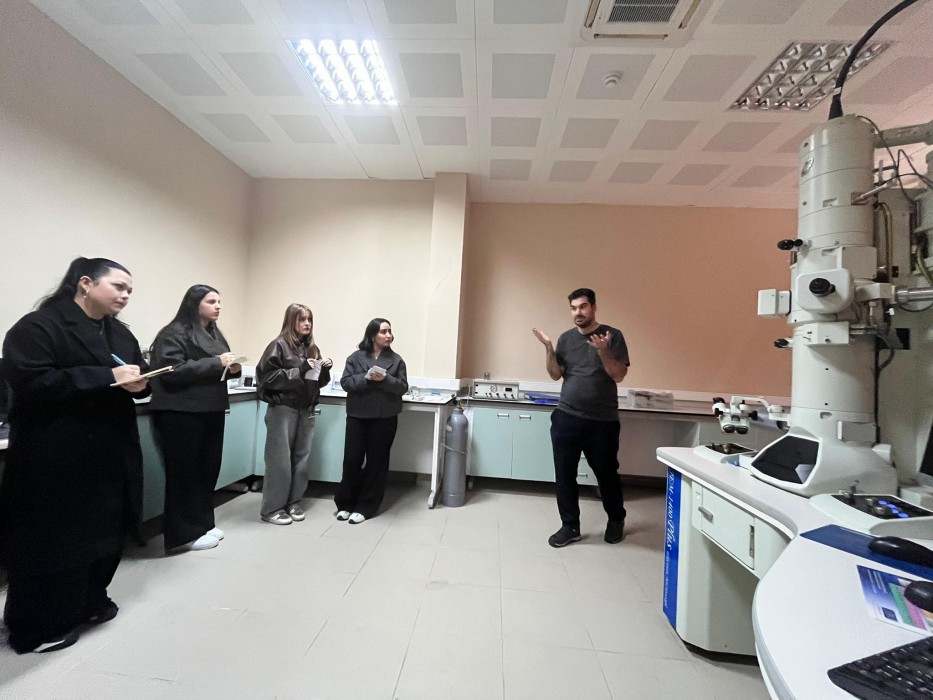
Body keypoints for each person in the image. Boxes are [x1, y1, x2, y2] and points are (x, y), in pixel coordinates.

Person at [0, 257, 149, 654]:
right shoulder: (38, 327)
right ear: (86, 283)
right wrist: (106, 377)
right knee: (52, 542)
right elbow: (32, 381)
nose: (126, 295)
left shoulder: (119, 333)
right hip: (56, 456)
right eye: (119, 286)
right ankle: (37, 627)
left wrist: (143, 384)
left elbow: (138, 371)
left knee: (104, 535)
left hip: (110, 453)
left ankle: (89, 602)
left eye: (130, 290)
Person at [532, 288, 630, 548]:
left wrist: (603, 351)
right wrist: (549, 348)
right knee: (565, 475)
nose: (578, 312)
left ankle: (616, 519)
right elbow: (556, 374)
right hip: (567, 418)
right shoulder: (566, 339)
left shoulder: (612, 335)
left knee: (606, 474)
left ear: (593, 307)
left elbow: (618, 374)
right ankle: (570, 526)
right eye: (574, 308)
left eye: (583, 307)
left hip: (602, 422)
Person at [149, 285, 241, 553]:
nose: (218, 306)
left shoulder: (213, 333)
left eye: (219, 301)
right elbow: (169, 371)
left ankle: (202, 524)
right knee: (184, 474)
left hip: (210, 410)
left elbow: (217, 367)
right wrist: (216, 363)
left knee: (207, 470)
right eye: (211, 301)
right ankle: (182, 535)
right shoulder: (173, 333)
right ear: (194, 304)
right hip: (181, 413)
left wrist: (232, 368)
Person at [256, 304, 332, 525]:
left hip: (306, 409)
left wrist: (324, 371)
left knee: (301, 459)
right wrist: (299, 370)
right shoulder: (278, 345)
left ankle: (293, 502)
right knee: (279, 460)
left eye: (310, 319)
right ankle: (272, 509)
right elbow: (266, 378)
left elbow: (316, 382)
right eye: (302, 319)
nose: (307, 323)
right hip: (283, 409)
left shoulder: (312, 349)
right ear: (291, 321)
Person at [335, 318, 408, 524]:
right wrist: (365, 377)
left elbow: (402, 387)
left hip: (384, 418)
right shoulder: (355, 358)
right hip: (357, 416)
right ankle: (345, 504)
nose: (388, 335)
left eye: (390, 331)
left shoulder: (397, 360)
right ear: (372, 335)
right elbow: (345, 382)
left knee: (376, 463)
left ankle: (366, 506)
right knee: (352, 460)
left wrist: (385, 379)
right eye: (383, 332)